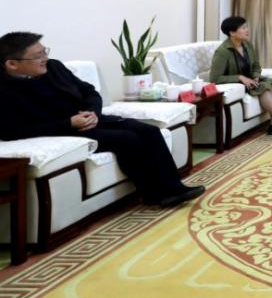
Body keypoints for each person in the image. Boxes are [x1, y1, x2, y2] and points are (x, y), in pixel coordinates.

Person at [0, 32, 205, 208]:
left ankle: (175, 188)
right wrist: (69, 123)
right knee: (127, 139)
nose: (45, 58)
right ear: (12, 64)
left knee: (149, 131)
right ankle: (155, 194)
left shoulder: (54, 67)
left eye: (45, 51)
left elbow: (89, 91)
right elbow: (13, 130)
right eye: (38, 56)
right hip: (62, 130)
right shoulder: (5, 89)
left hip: (92, 119)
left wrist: (93, 112)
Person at [209, 16, 272, 136]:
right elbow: (214, 79)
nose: (247, 30)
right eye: (243, 28)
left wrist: (256, 76)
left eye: (246, 27)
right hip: (238, 84)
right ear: (232, 33)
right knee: (264, 89)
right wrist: (240, 77)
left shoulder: (247, 45)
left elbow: (256, 65)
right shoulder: (222, 52)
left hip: (252, 80)